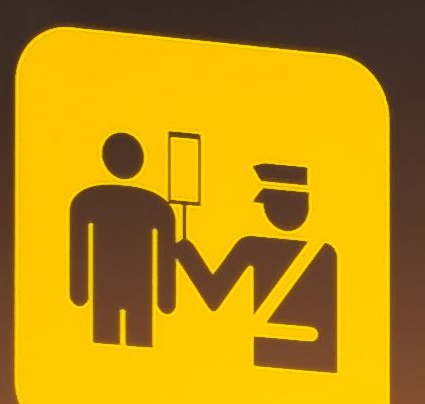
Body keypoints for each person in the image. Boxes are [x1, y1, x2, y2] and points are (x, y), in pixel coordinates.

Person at [171, 162, 339, 371]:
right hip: (318, 357)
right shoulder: (326, 253)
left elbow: (213, 294)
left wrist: (184, 251)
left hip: (272, 354)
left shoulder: (253, 247)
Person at [68, 131, 174, 346]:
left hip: (129, 285)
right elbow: (79, 246)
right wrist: (166, 298)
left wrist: (79, 291)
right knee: (109, 336)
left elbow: (165, 252)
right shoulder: (155, 205)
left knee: (135, 337)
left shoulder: (88, 199)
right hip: (116, 284)